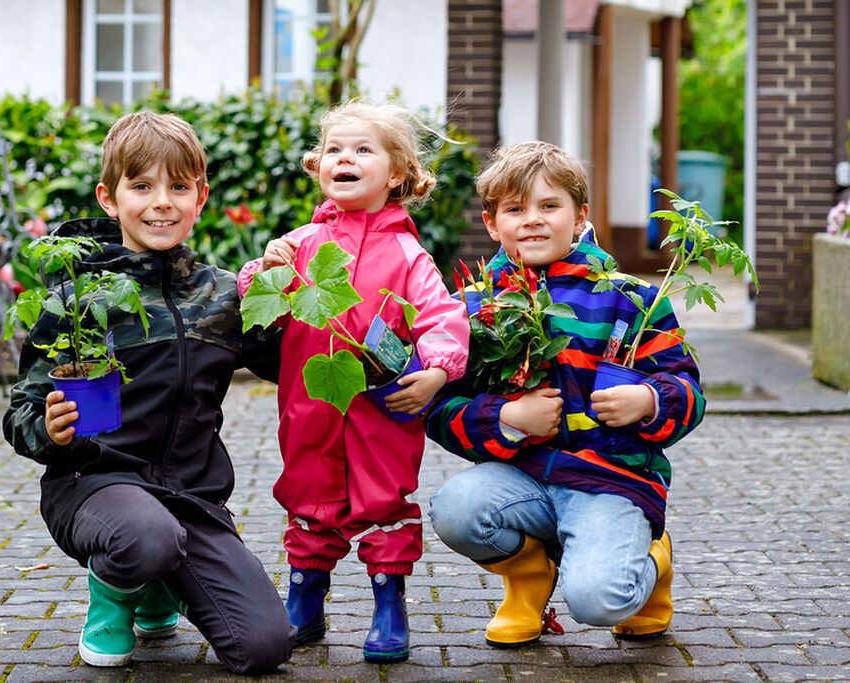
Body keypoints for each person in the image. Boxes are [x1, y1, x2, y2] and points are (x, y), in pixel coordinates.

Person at [2, 111, 295, 674]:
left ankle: (162, 581)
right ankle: (115, 594)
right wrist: (49, 428)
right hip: (93, 484)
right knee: (146, 535)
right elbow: (22, 409)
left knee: (264, 647)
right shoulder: (78, 301)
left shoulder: (224, 295)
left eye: (178, 187)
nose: (162, 202)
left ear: (200, 197)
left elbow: (294, 364)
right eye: (142, 186)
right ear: (109, 198)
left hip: (192, 498)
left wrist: (294, 292)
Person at [426, 141, 704, 647]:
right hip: (524, 478)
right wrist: (507, 416)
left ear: (580, 217)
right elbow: (441, 410)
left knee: (599, 601)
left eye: (549, 206)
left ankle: (653, 561)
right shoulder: (472, 307)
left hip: (610, 482)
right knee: (455, 509)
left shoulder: (631, 298)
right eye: (515, 209)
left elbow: (688, 389)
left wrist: (649, 400)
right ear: (492, 224)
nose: (532, 220)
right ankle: (529, 578)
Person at [237, 101, 469, 663]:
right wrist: (264, 270)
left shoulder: (408, 254)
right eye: (336, 150)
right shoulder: (301, 244)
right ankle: (305, 596)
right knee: (308, 492)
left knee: (384, 499)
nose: (347, 158)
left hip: (381, 411)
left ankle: (389, 602)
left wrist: (436, 371)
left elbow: (442, 316)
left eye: (363, 149)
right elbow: (256, 305)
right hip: (310, 404)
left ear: (396, 174)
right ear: (319, 168)